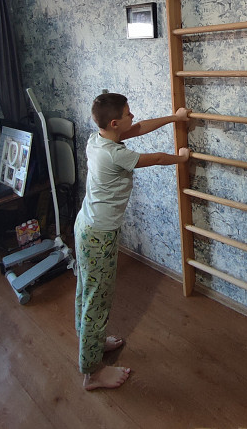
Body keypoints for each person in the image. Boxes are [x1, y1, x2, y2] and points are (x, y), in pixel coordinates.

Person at [74, 92, 190, 390]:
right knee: (97, 299)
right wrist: (181, 158)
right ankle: (92, 372)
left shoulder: (97, 139)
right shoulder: (116, 155)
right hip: (99, 236)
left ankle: (92, 342)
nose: (133, 116)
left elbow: (138, 128)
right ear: (115, 123)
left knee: (88, 290)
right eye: (128, 113)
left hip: (86, 226)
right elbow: (157, 159)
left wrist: (174, 118)